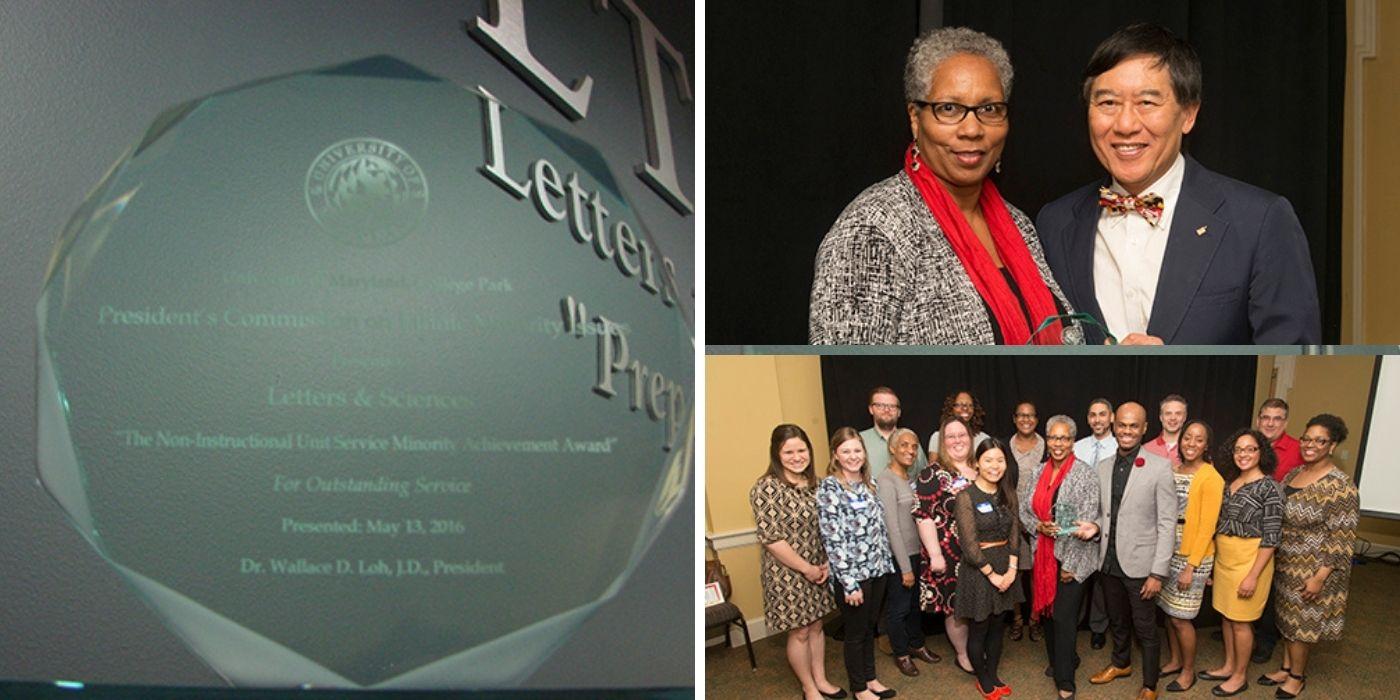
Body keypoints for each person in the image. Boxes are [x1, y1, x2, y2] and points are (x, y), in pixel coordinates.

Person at [1035, 22, 1320, 345]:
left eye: (1147, 102)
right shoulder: (1054, 224)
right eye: (1108, 103)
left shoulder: (1261, 221)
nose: (1125, 124)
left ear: (1188, 114)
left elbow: (1292, 348)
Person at [809, 26, 1083, 345]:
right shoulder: (872, 231)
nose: (972, 129)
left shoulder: (1020, 226)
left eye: (989, 109)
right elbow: (853, 363)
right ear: (915, 117)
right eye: (949, 109)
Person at [1261, 414, 1359, 699]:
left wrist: (1320, 577)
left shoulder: (1340, 486)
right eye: (1306, 439)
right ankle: (1286, 667)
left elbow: (1342, 538)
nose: (1310, 445)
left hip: (1314, 566)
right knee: (1288, 622)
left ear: (1332, 446)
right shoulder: (1294, 474)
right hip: (1286, 561)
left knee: (1302, 625)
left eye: (1320, 441)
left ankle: (1297, 677)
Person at [750, 425, 846, 700]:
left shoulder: (816, 483)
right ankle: (808, 687)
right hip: (787, 572)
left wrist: (827, 562)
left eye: (801, 450)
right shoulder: (766, 487)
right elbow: (771, 538)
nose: (797, 457)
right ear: (776, 454)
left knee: (817, 626)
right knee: (801, 630)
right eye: (788, 451)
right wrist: (807, 568)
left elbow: (829, 525)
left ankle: (822, 679)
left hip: (819, 568)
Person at [1088, 401, 1175, 700]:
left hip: (1142, 566)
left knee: (1146, 629)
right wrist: (1094, 526)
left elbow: (1167, 524)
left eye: (1133, 426)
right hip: (1108, 562)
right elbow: (1106, 513)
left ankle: (1150, 685)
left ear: (1144, 428)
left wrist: (1158, 573)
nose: (1127, 431)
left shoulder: (1160, 467)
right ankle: (1121, 664)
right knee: (1117, 621)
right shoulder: (1102, 467)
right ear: (1114, 425)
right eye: (1122, 425)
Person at [1021, 415, 1102, 700]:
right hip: (1043, 555)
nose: (1058, 443)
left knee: (1065, 619)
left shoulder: (1084, 474)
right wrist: (1037, 526)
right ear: (1047, 439)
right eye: (1053, 437)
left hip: (1072, 557)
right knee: (1048, 615)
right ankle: (1059, 661)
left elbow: (1086, 521)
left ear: (1072, 441)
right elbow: (1024, 510)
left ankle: (1065, 680)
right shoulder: (1037, 472)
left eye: (1064, 438)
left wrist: (1069, 565)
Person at [1200, 429, 1283, 697]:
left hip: (1250, 561)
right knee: (1226, 616)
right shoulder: (1229, 482)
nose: (1243, 454)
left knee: (1241, 621)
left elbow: (1271, 538)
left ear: (1262, 453)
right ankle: (1228, 666)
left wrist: (1253, 576)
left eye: (1250, 449)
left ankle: (1239, 676)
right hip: (1225, 559)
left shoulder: (1270, 487)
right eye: (1239, 449)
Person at [817, 427, 899, 700]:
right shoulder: (830, 487)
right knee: (855, 634)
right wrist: (849, 583)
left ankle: (871, 678)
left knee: (868, 629)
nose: (853, 456)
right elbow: (833, 539)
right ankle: (859, 688)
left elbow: (879, 529)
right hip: (852, 577)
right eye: (846, 451)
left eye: (857, 450)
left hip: (878, 571)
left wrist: (887, 564)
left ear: (864, 453)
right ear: (836, 456)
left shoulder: (869, 483)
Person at [1156, 420, 1224, 693]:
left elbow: (1208, 526)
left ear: (1206, 445)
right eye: (1188, 438)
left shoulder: (1211, 476)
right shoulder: (1173, 469)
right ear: (1180, 441)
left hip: (1193, 555)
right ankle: (1174, 660)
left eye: (1199, 439)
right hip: (1167, 550)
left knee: (1181, 618)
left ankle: (1188, 671)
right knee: (1168, 613)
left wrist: (1191, 566)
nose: (1192, 444)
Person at [954, 438, 1025, 699]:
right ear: (976, 463)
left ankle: (993, 673)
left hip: (1005, 567)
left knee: (999, 626)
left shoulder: (1008, 493)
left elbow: (1015, 532)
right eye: (988, 460)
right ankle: (983, 678)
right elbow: (969, 544)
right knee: (980, 627)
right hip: (979, 571)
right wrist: (993, 575)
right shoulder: (966, 497)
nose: (995, 466)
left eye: (1000, 460)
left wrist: (1012, 569)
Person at [914, 416, 979, 675]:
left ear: (971, 438)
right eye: (950, 436)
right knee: (956, 607)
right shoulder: (932, 473)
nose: (957, 440)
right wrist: (935, 555)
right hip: (949, 553)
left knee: (977, 603)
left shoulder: (982, 467)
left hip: (980, 552)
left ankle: (976, 647)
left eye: (961, 435)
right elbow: (923, 515)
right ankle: (963, 654)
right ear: (942, 442)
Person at [876, 428, 942, 677]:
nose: (910, 451)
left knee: (916, 605)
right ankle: (901, 653)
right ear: (892, 448)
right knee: (899, 608)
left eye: (914, 446)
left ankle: (917, 645)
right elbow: (891, 526)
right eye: (904, 445)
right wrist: (904, 567)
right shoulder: (886, 480)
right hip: (900, 556)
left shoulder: (910, 478)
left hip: (918, 553)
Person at [1252, 397, 1303, 663]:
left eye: (1277, 418)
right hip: (1248, 528)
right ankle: (1246, 627)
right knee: (1248, 578)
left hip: (1279, 529)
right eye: (1266, 418)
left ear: (1286, 421)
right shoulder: (1248, 445)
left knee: (1270, 584)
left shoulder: (1298, 450)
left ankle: (1266, 638)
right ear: (1258, 419)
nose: (1270, 423)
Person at [1073, 397, 1116, 650]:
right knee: (1077, 574)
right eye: (1092, 415)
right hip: (1078, 521)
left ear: (1111, 417)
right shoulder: (1077, 447)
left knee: (1101, 578)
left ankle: (1098, 627)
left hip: (1106, 522)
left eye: (1102, 414)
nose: (1097, 419)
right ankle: (1074, 621)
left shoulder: (1121, 446)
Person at [1005, 401, 1043, 642]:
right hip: (1011, 518)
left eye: (1030, 416)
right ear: (1015, 418)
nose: (1025, 419)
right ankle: (1017, 619)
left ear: (1036, 420)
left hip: (1039, 519)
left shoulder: (1046, 445)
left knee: (1037, 573)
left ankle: (1035, 620)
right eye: (1021, 415)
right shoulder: (1005, 446)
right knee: (1015, 572)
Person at [861, 386, 929, 480]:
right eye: (880, 405)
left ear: (899, 412)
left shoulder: (912, 441)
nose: (886, 410)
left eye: (892, 406)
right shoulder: (859, 440)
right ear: (871, 409)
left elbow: (924, 477)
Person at [928, 390, 991, 456]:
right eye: (959, 405)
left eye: (970, 405)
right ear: (951, 409)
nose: (965, 408)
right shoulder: (938, 437)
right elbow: (933, 464)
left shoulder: (983, 439)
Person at [1145, 394, 1187, 465]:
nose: (1173, 418)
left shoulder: (1193, 450)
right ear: (1161, 417)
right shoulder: (1146, 449)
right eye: (1168, 413)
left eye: (1178, 413)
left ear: (1185, 417)